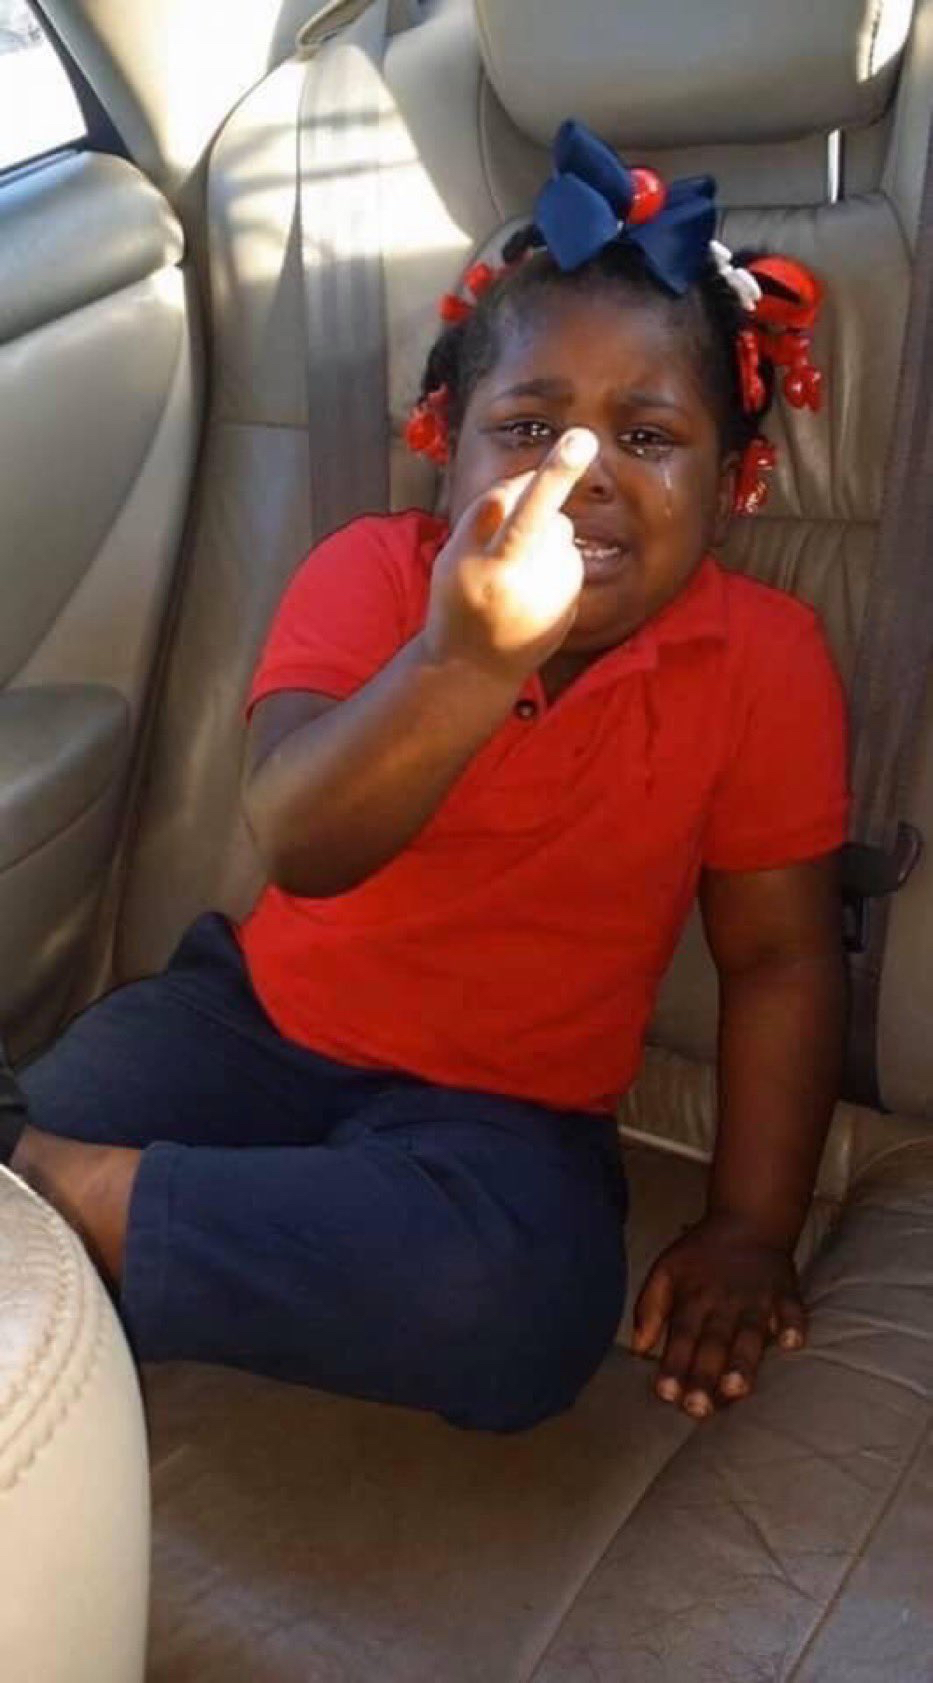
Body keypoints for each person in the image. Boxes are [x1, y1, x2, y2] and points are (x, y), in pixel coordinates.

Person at [10, 122, 847, 1432]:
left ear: (734, 479)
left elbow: (779, 960)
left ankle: (66, 1200)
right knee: (75, 1094)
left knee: (513, 1311)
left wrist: (749, 1227)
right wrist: (463, 662)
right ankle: (84, 1195)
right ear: (442, 446)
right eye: (529, 427)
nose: (578, 476)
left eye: (646, 436)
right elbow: (303, 842)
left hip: (507, 1115)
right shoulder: (369, 576)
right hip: (251, 1028)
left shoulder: (766, 663)